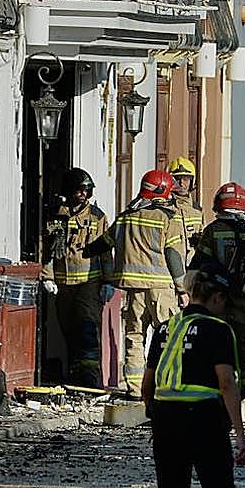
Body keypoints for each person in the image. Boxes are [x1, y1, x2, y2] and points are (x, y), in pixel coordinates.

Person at [107, 265, 245, 488]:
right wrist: (240, 435)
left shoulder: (165, 327)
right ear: (216, 298)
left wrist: (156, 418)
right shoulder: (218, 329)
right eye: (223, 302)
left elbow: (147, 383)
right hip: (204, 423)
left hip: (166, 421)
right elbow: (227, 383)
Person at [86, 169, 187, 393]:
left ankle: (135, 388)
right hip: (161, 287)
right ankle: (167, 385)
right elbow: (173, 255)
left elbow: (104, 242)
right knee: (169, 336)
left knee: (134, 336)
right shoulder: (166, 217)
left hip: (132, 288)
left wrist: (86, 250)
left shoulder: (125, 216)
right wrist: (182, 289)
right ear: (162, 190)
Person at [191, 182, 245, 396]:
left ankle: (215, 383)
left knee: (216, 339)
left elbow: (199, 264)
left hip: (217, 298)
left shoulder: (212, 231)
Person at [41, 168, 113, 386]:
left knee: (88, 330)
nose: (83, 195)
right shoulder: (54, 215)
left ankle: (90, 379)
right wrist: (47, 277)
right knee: (69, 330)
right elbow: (48, 249)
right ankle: (74, 376)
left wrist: (108, 281)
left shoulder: (97, 217)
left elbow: (105, 251)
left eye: (87, 191)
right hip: (62, 283)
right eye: (79, 190)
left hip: (89, 282)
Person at [168, 156, 205, 260]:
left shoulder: (197, 210)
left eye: (186, 179)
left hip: (192, 264)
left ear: (192, 181)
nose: (181, 183)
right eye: (177, 179)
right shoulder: (165, 207)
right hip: (171, 264)